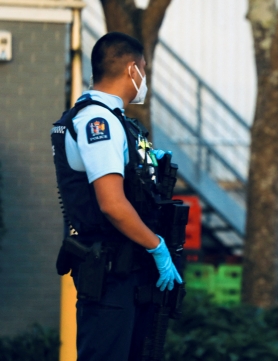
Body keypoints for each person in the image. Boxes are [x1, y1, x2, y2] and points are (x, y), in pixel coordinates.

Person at [51, 32, 183, 361]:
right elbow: (111, 203)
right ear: (132, 69)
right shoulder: (99, 122)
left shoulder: (119, 122)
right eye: (145, 70)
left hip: (127, 272)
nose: (144, 78)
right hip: (110, 272)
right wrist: (157, 246)